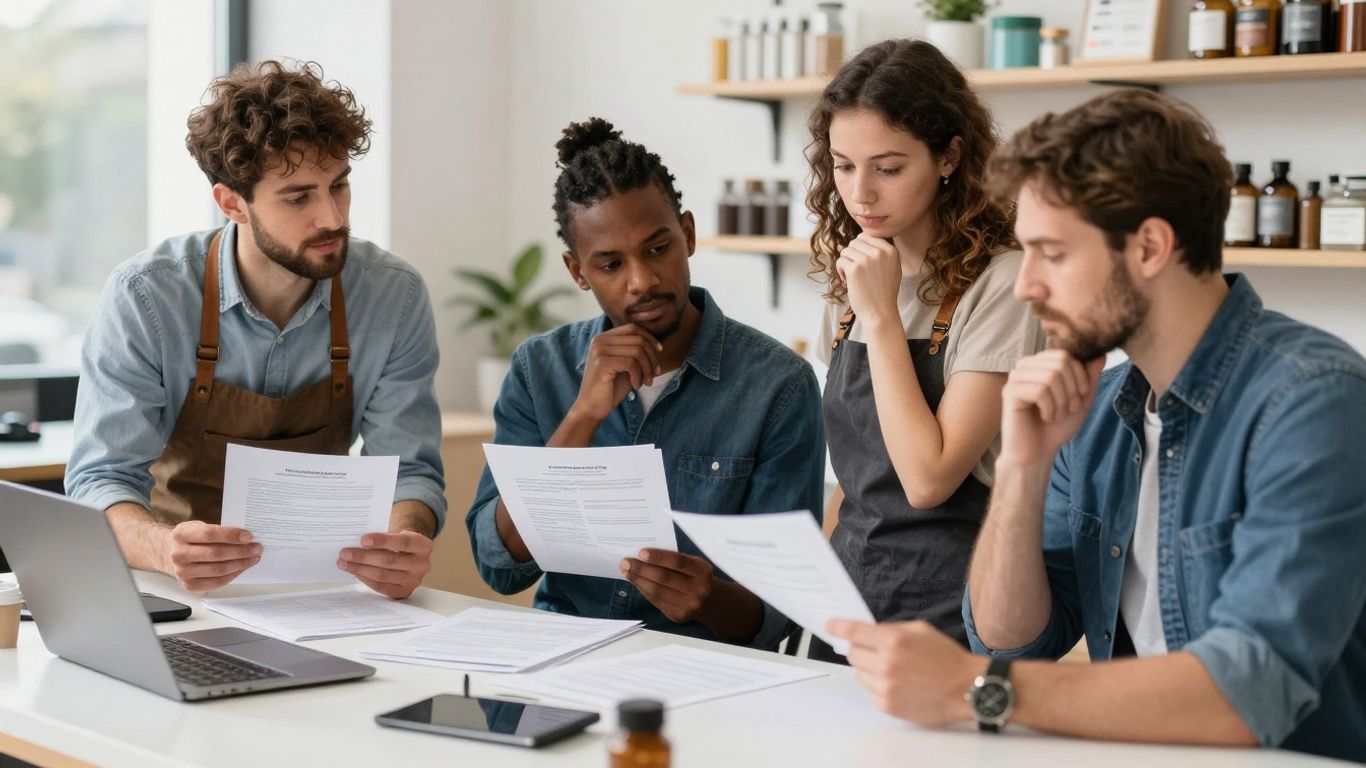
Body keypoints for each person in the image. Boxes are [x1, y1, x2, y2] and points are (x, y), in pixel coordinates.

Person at [828, 89, 1366, 763]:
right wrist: (1022, 468)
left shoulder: (1310, 399)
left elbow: (1249, 686)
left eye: (1051, 253)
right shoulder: (1098, 411)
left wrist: (977, 689)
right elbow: (1011, 640)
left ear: (1149, 247)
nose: (1025, 286)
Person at [65, 61, 445, 599]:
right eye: (298, 197)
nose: (332, 217)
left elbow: (411, 470)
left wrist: (404, 539)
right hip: (172, 591)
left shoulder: (394, 295)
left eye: (339, 186)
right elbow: (98, 480)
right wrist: (162, 548)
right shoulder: (147, 296)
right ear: (231, 202)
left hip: (323, 592)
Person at [466, 118, 825, 650]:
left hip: (703, 671)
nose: (643, 281)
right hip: (562, 655)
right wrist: (582, 417)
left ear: (689, 234)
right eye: (611, 264)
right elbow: (500, 564)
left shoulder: (779, 386)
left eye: (658, 249)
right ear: (578, 271)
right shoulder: (538, 369)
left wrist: (708, 599)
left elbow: (785, 612)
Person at [808, 39, 1041, 661]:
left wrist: (882, 318)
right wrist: (820, 600)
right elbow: (852, 481)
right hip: (850, 596)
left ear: (949, 157)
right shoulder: (850, 279)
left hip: (954, 609)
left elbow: (929, 480)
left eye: (887, 168)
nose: (860, 195)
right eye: (842, 165)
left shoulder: (1004, 285)